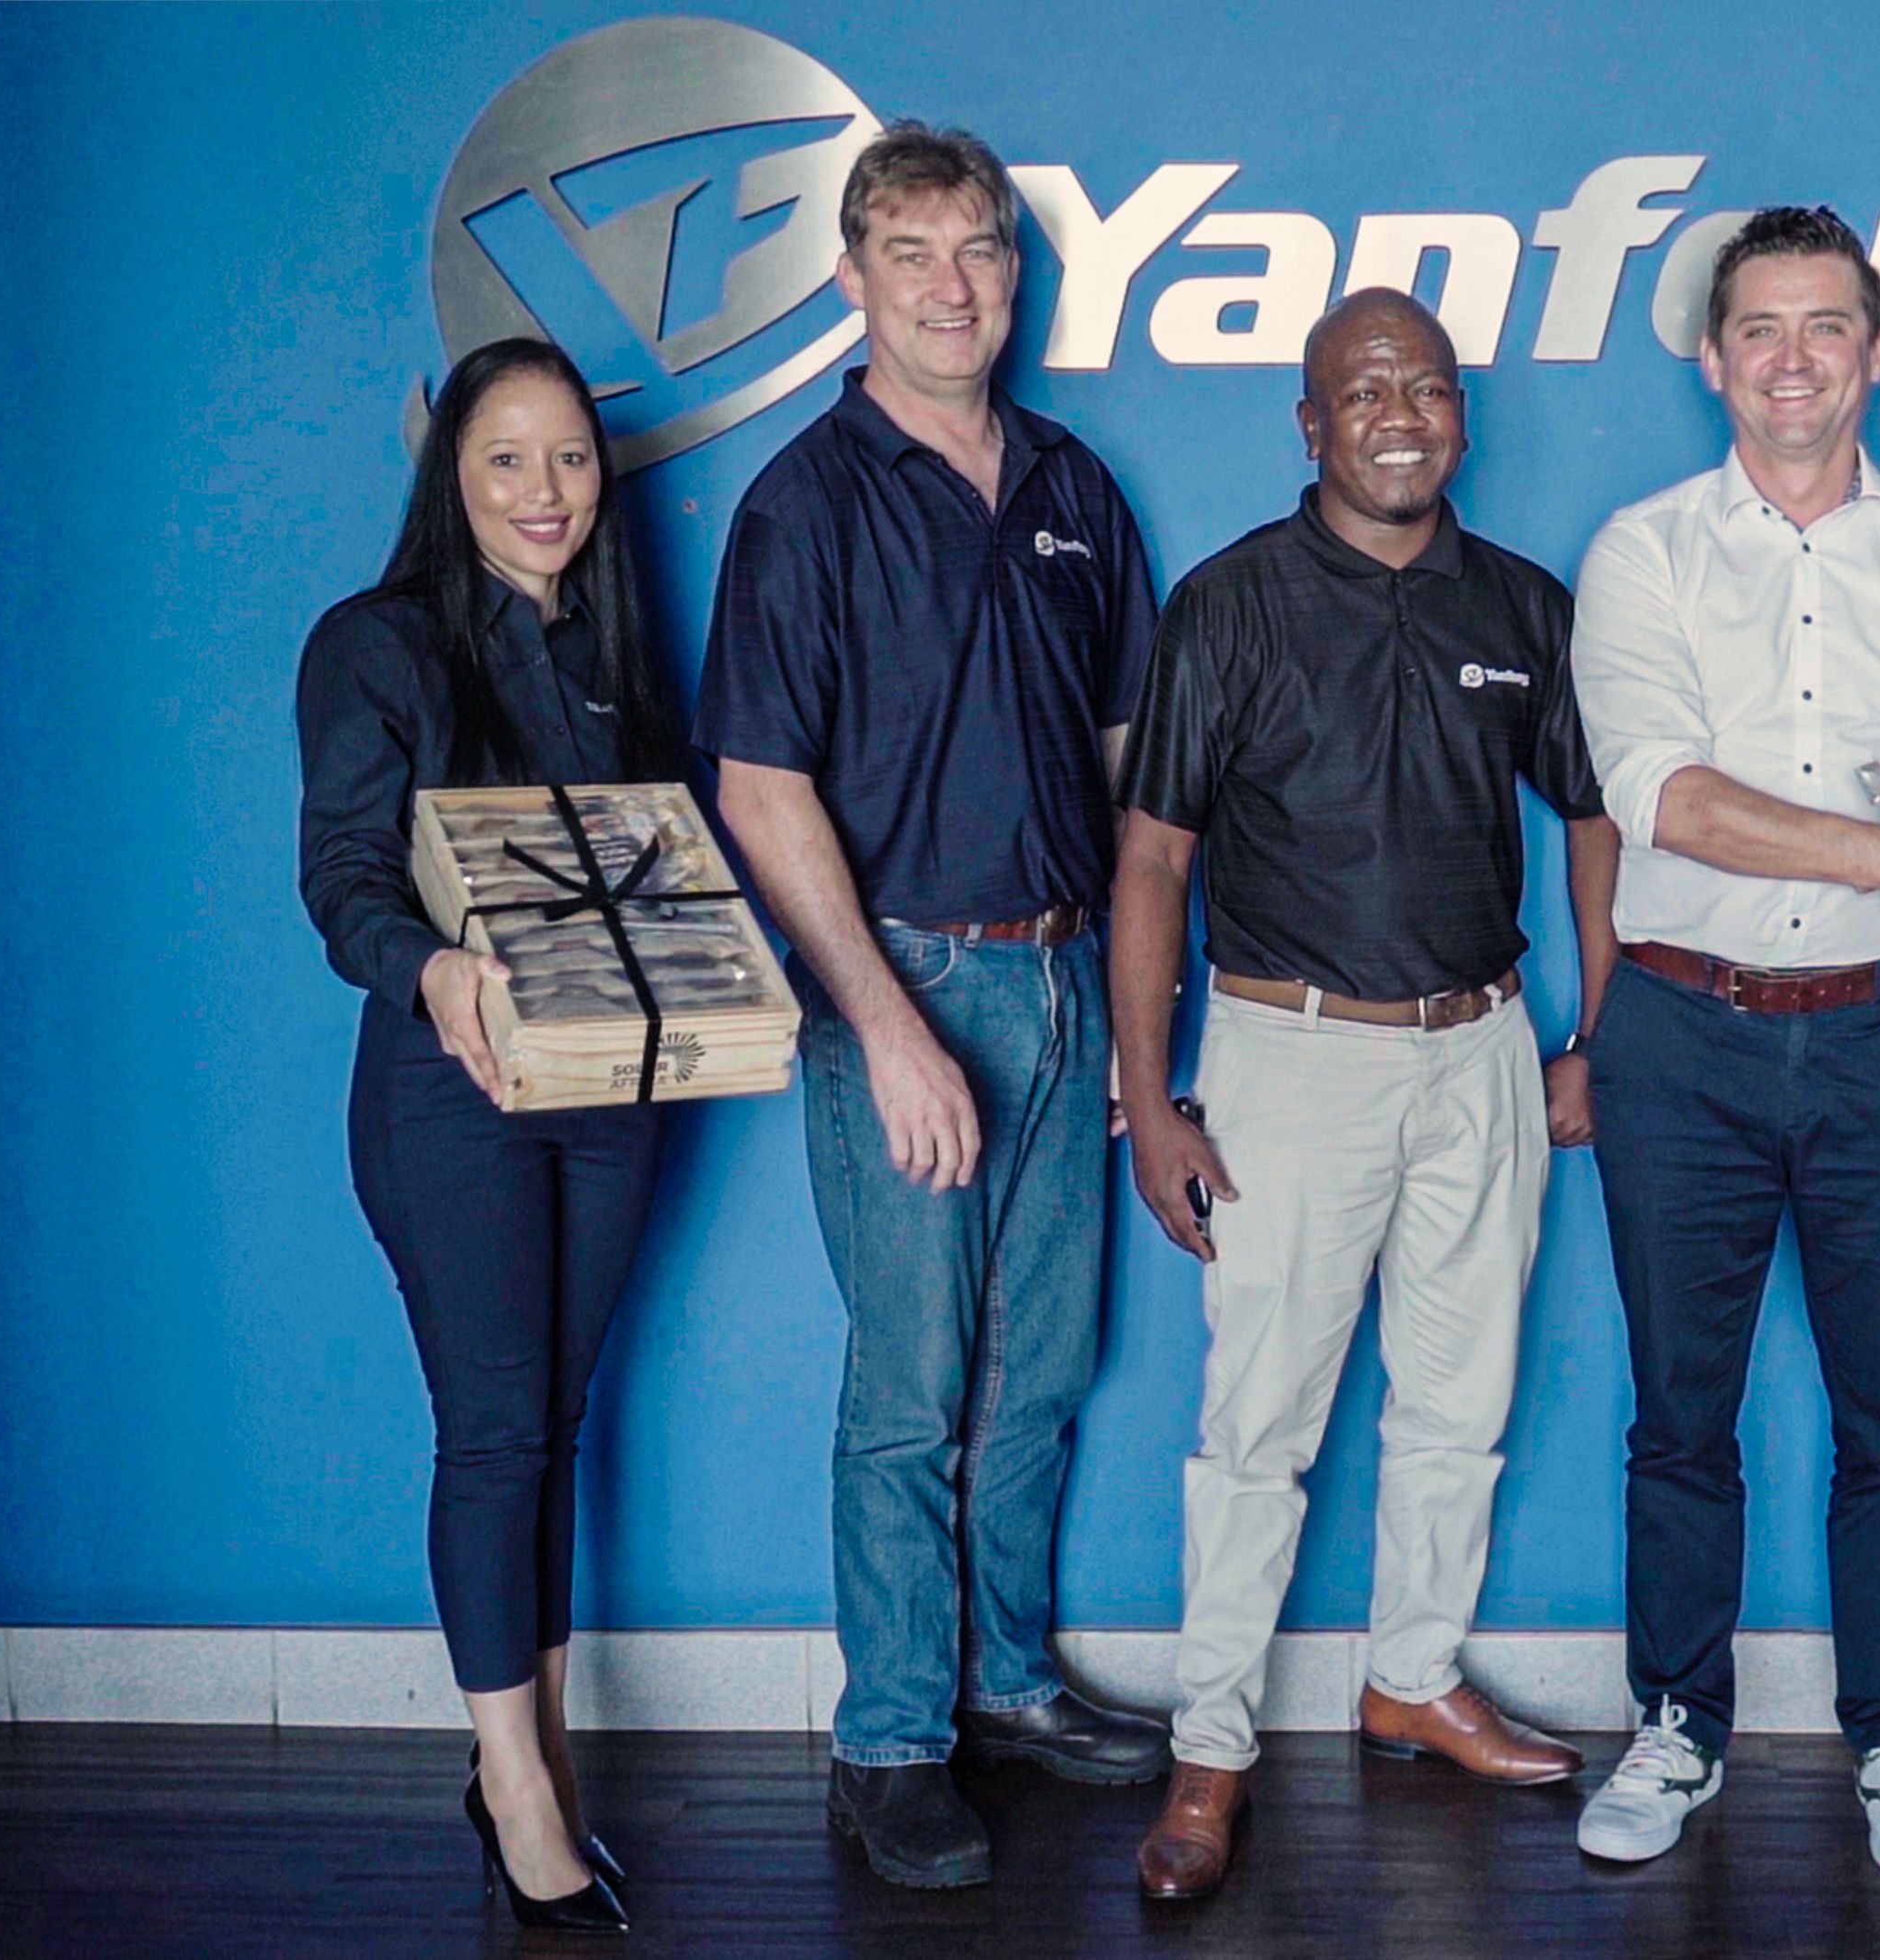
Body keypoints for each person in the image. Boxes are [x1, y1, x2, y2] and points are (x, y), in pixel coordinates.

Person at [695, 122, 1168, 1891]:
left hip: (1059, 973)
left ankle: (1005, 1681)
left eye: (980, 248)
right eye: (914, 253)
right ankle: (890, 1734)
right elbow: (760, 787)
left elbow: (1134, 775)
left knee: (1041, 1370)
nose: (955, 284)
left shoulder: (1069, 484)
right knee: (912, 1388)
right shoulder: (804, 503)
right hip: (909, 986)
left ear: (1013, 271)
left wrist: (1132, 1022)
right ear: (853, 281)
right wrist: (888, 1023)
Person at [1113, 290, 1619, 1902]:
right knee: (1256, 1431)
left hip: (1482, 1049)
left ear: (1461, 414)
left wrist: (1595, 1029)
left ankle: (1410, 1675)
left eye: (1427, 384)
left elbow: (1596, 818)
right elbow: (1153, 862)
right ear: (1311, 426)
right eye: (1362, 389)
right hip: (1288, 1053)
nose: (1399, 411)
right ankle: (1211, 1751)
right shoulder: (1232, 604)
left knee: (1458, 1407)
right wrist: (1152, 1095)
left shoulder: (1526, 605)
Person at [1565, 206, 1880, 1883]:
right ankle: (1678, 1722)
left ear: (1876, 349)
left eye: (1824, 326)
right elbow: (1667, 803)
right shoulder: (1642, 552)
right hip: (1682, 1036)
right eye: (1758, 327)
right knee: (1678, 1417)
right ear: (1712, 357)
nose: (1790, 358)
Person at [297, 336, 668, 1934]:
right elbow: (342, 879)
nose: (546, 491)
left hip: (607, 1098)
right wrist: (432, 966)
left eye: (572, 458)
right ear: (450, 472)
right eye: (508, 458)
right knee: (495, 1435)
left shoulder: (613, 653)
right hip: (449, 1102)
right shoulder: (374, 645)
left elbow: (654, 878)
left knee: (556, 1429)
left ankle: (544, 1761)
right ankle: (515, 1794)